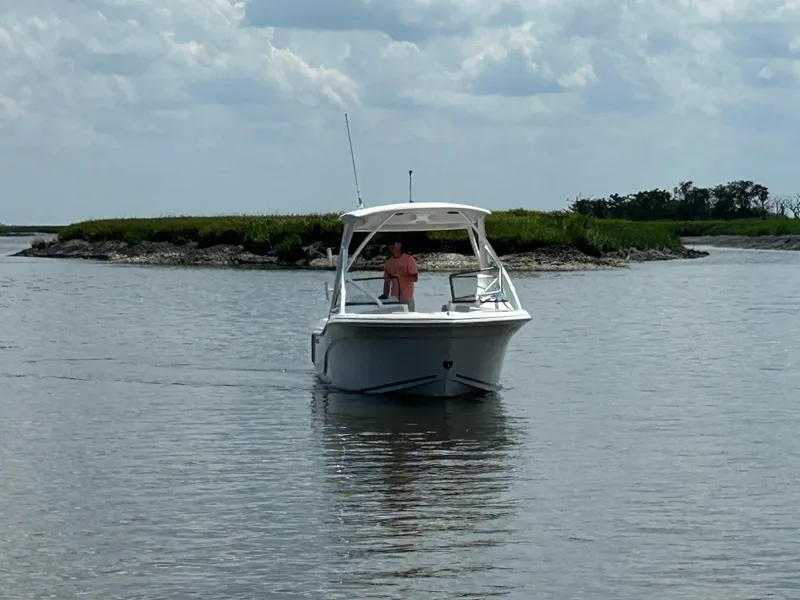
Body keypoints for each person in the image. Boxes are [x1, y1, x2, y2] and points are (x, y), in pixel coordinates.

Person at [378, 239, 418, 311]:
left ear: (400, 246)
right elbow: (387, 282)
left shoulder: (409, 259)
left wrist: (403, 277)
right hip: (394, 300)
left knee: (410, 317)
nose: (394, 249)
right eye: (392, 246)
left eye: (397, 246)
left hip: (407, 298)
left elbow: (415, 278)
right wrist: (385, 295)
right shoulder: (388, 262)